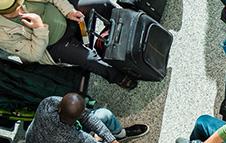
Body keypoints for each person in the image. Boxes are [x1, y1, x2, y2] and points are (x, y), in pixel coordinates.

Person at [0, 0, 137, 89]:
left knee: (102, 3)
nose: (20, 11)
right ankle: (118, 77)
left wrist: (69, 11)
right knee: (89, 58)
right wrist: (39, 28)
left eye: (18, 5)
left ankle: (132, 24)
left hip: (66, 17)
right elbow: (33, 54)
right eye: (12, 12)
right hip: (54, 45)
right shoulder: (2, 34)